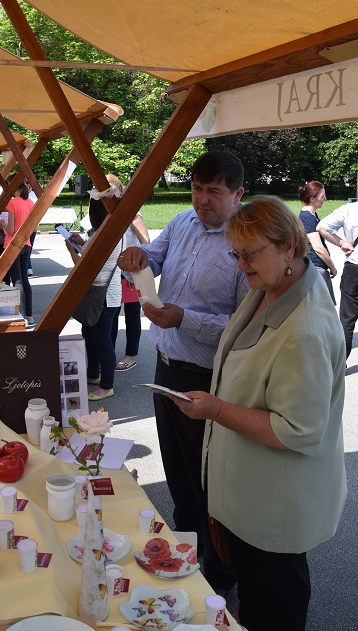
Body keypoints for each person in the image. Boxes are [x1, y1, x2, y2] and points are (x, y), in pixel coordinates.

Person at [171, 196, 346, 631]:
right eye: (236, 253)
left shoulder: (304, 330)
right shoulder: (270, 288)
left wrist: (215, 409)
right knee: (255, 589)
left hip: (276, 504)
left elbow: (298, 430)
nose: (239, 264)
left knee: (276, 597)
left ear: (289, 247)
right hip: (251, 495)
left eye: (249, 254)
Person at [118, 150, 247, 592]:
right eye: (196, 188)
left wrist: (184, 319)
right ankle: (186, 555)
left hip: (209, 379)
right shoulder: (181, 222)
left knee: (209, 479)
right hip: (167, 365)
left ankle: (220, 576)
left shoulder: (246, 239)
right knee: (176, 468)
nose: (202, 199)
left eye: (214, 191)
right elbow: (154, 257)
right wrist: (138, 258)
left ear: (237, 193)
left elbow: (244, 327)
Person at [66, 191, 125, 400]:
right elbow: (92, 254)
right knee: (90, 335)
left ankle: (107, 385)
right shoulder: (107, 232)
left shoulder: (104, 236)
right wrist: (81, 243)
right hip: (105, 295)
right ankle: (93, 374)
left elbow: (85, 269)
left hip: (103, 298)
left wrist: (71, 250)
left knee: (102, 341)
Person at [105, 174, 151, 371]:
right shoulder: (105, 214)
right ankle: (108, 355)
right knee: (111, 315)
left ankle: (131, 355)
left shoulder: (133, 214)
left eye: (112, 189)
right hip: (112, 274)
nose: (109, 194)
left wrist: (135, 271)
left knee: (132, 315)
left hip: (131, 274)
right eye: (105, 191)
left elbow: (147, 245)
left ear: (120, 190)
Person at [317, 193, 358, 360]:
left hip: (355, 268)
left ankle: (340, 364)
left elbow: (322, 227)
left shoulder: (349, 210)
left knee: (347, 321)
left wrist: (342, 243)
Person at [0, 182, 35, 325]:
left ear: (17, 189)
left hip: (13, 245)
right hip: (26, 243)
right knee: (25, 280)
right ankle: (29, 314)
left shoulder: (12, 203)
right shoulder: (30, 202)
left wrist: (2, 223)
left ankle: (22, 314)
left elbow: (11, 229)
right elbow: (34, 227)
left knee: (17, 280)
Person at [298, 181, 336, 303]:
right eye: (322, 196)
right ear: (312, 198)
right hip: (316, 268)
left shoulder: (311, 215)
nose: (325, 199)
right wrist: (333, 267)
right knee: (325, 306)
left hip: (316, 268)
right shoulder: (307, 217)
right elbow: (318, 249)